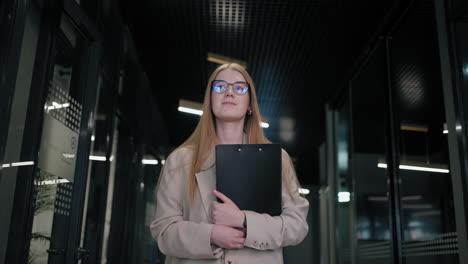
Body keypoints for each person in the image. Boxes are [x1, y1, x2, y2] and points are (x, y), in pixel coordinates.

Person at [150, 63, 309, 263]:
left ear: (250, 104)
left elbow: (297, 225)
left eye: (239, 88)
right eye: (220, 87)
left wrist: (244, 220)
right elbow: (163, 230)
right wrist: (210, 235)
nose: (229, 93)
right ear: (210, 100)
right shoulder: (180, 161)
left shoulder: (278, 158)